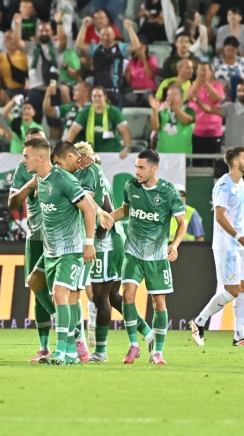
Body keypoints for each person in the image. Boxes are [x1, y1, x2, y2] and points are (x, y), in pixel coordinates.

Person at [21, 137, 99, 365]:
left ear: (41, 157)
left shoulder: (64, 179)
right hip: (51, 251)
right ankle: (70, 347)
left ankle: (62, 351)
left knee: (60, 293)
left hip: (71, 249)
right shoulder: (40, 180)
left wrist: (89, 243)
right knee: (35, 281)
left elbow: (89, 209)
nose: (24, 161)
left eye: (26, 156)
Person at [109, 149, 186, 365]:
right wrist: (105, 218)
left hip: (157, 256)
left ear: (154, 169)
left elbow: (182, 223)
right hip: (132, 252)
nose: (137, 171)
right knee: (127, 296)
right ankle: (134, 345)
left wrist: (175, 245)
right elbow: (124, 210)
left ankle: (158, 352)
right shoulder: (130, 186)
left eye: (141, 168)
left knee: (158, 303)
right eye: (136, 167)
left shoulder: (168, 191)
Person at [51, 141, 122, 363]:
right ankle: (80, 342)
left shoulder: (87, 172)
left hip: (101, 240)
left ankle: (91, 346)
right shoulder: (90, 169)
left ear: (78, 159)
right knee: (95, 295)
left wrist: (91, 236)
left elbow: (87, 203)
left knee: (98, 296)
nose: (59, 168)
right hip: (93, 238)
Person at [190, 146, 244, 348]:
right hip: (227, 245)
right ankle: (199, 321)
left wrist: (242, 237)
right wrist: (239, 237)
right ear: (236, 162)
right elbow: (219, 216)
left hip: (240, 243)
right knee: (232, 290)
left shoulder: (241, 183)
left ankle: (239, 336)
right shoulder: (224, 185)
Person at [8, 128, 53, 362]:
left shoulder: (57, 165)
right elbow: (12, 203)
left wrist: (93, 158)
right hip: (35, 236)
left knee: (66, 290)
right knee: (38, 290)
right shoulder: (23, 170)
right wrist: (29, 186)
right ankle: (44, 347)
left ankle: (77, 341)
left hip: (58, 238)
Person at [16, 18, 67, 139]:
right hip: (35, 90)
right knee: (34, 124)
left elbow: (63, 40)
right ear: (37, 33)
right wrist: (17, 24)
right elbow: (16, 42)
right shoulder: (31, 47)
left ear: (52, 32)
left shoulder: (56, 47)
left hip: (53, 89)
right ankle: (36, 147)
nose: (44, 32)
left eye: (47, 30)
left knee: (54, 123)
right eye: (41, 30)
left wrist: (59, 23)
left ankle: (56, 148)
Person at [76, 17, 139, 105]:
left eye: (108, 35)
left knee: (114, 113)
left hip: (115, 89)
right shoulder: (96, 49)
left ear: (113, 36)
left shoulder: (120, 48)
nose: (105, 37)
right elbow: (79, 44)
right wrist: (84, 26)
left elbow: (136, 45)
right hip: (99, 90)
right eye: (103, 35)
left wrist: (130, 28)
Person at [193, 80, 244, 153]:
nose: (242, 93)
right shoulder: (229, 107)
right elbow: (210, 109)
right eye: (239, 91)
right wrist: (198, 102)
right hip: (230, 154)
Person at [65, 86, 131, 157]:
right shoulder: (85, 112)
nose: (97, 98)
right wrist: (65, 150)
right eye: (94, 96)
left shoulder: (114, 111)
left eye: (99, 96)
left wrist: (126, 149)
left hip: (113, 151)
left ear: (105, 97)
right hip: (92, 152)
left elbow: (125, 130)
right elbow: (73, 130)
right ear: (91, 98)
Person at [187, 62, 225, 164]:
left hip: (214, 132)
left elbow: (216, 98)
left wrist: (206, 84)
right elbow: (190, 96)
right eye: (200, 70)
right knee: (197, 163)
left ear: (212, 72)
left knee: (213, 164)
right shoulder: (193, 86)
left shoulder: (217, 86)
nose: (202, 73)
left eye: (205, 70)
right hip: (197, 132)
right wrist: (198, 80)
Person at [149, 85, 195, 154]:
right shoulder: (162, 112)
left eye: (174, 96)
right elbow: (154, 127)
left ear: (181, 97)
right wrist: (155, 111)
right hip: (163, 155)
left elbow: (187, 120)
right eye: (168, 95)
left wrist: (174, 106)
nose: (170, 98)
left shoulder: (189, 110)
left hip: (183, 155)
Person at [211, 36, 244, 101]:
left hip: (238, 88)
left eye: (232, 50)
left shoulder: (241, 60)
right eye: (228, 50)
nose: (230, 52)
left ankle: (234, 98)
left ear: (237, 50)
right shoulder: (216, 60)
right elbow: (210, 78)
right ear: (223, 49)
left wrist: (242, 78)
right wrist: (219, 85)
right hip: (220, 89)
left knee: (235, 78)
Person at [0, 31, 29, 107]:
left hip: (24, 89)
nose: (12, 41)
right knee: (1, 96)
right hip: (8, 90)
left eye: (14, 39)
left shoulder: (25, 56)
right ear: (4, 42)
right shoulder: (0, 58)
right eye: (9, 38)